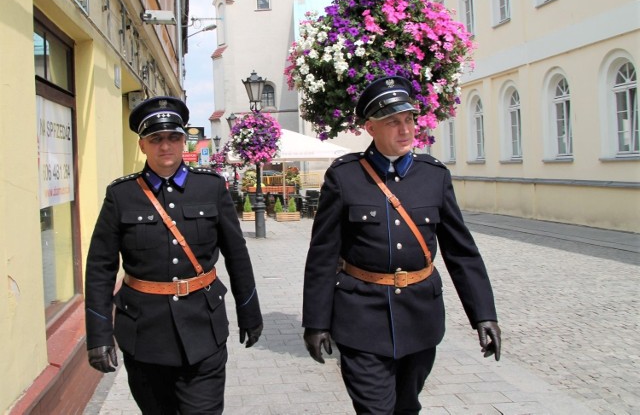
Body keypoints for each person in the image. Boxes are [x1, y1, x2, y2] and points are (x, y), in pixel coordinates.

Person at [302, 76, 501, 414]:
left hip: (420, 318)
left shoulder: (434, 176)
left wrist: (483, 315)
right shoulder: (344, 176)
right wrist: (316, 322)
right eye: (393, 122)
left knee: (407, 406)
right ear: (370, 128)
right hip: (360, 317)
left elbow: (461, 251)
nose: (405, 129)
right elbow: (322, 256)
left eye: (409, 119)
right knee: (375, 409)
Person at [84, 96, 263, 414]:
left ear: (184, 142)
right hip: (144, 336)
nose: (164, 145)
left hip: (203, 329)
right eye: (155, 139)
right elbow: (100, 267)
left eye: (172, 137)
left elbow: (237, 254)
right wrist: (98, 334)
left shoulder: (210, 188)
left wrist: (250, 312)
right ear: (142, 146)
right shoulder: (121, 196)